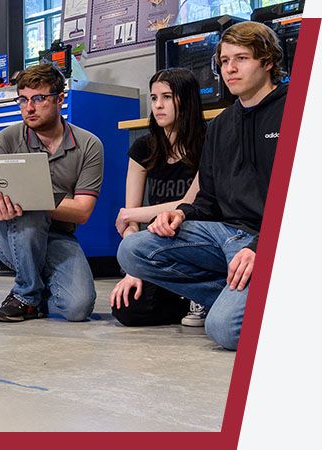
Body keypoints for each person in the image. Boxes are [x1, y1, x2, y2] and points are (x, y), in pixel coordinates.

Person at [117, 21, 287, 350]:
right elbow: (207, 199)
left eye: (241, 58)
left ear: (267, 61)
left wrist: (262, 247)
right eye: (224, 61)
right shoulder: (221, 125)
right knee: (133, 250)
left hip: (267, 238)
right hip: (224, 235)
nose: (230, 68)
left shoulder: (295, 109)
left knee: (223, 329)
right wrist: (180, 214)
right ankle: (247, 296)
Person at [0, 63, 103, 322]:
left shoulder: (88, 145)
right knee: (29, 216)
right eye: (23, 99)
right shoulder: (6, 140)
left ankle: (35, 296)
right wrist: (4, 207)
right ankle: (26, 295)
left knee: (77, 308)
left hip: (58, 235)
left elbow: (82, 212)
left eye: (39, 99)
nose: (29, 108)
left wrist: (32, 199)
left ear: (60, 99)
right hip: (11, 232)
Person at [110, 68, 206, 327]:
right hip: (156, 247)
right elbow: (129, 224)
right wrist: (133, 267)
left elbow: (188, 203)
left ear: (185, 100)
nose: (158, 105)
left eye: (167, 97)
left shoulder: (206, 142)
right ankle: (187, 299)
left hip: (194, 242)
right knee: (128, 310)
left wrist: (129, 214)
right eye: (153, 98)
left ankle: (196, 294)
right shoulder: (143, 147)